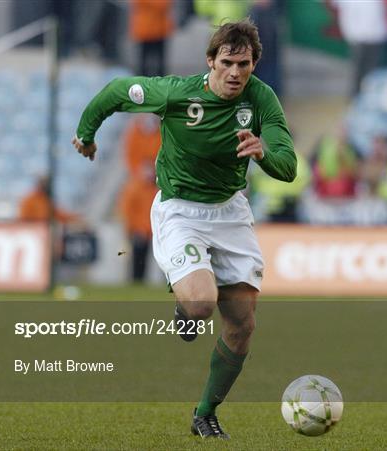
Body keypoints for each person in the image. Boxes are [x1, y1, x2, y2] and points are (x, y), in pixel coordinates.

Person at [72, 19, 296, 439]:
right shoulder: (176, 93)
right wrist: (86, 134)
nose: (235, 73)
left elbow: (289, 167)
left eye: (244, 64)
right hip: (181, 210)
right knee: (199, 305)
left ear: (254, 64)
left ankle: (205, 414)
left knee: (243, 324)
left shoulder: (263, 100)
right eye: (227, 62)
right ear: (210, 61)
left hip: (230, 213)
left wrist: (264, 152)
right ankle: (184, 302)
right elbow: (117, 91)